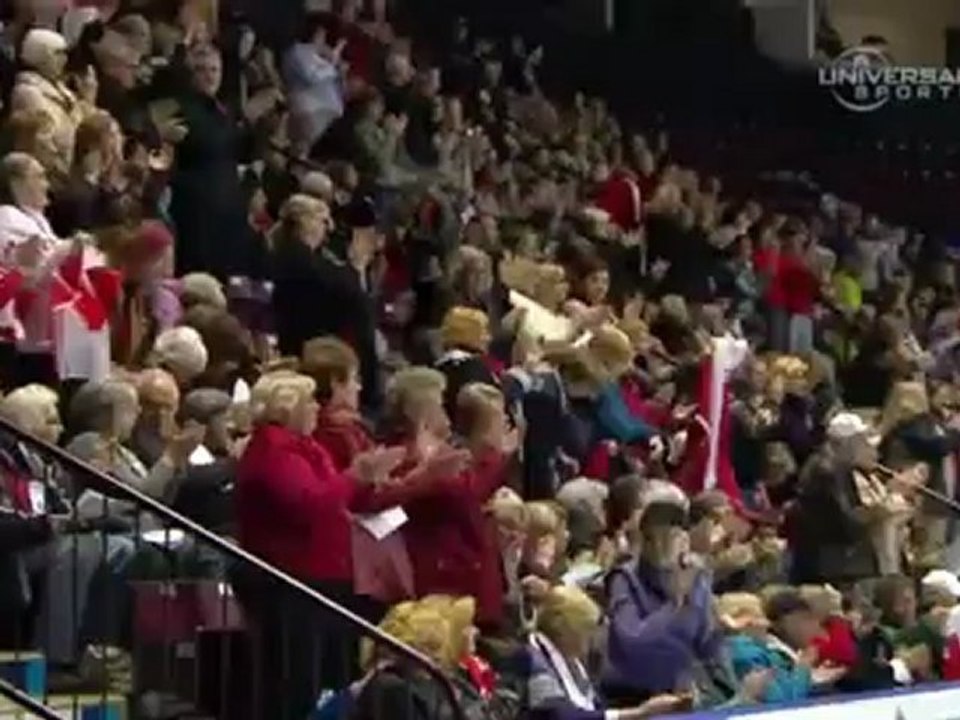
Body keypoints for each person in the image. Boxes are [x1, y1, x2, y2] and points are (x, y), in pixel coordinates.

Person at [233, 370, 403, 720]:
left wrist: (367, 478)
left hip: (325, 577)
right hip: (291, 582)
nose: (316, 408)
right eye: (309, 401)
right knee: (295, 682)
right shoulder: (272, 449)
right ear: (287, 406)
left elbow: (335, 498)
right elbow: (309, 504)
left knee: (325, 677)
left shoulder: (308, 447)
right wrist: (355, 475)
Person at [528, 585, 689, 720]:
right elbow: (559, 715)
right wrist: (640, 712)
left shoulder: (572, 661)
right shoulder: (533, 658)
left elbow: (596, 708)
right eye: (585, 632)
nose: (589, 643)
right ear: (562, 628)